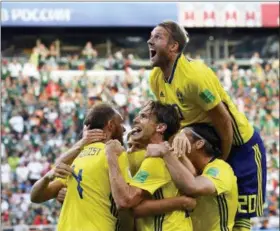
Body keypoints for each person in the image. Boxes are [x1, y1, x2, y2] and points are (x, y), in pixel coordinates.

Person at [147, 20, 267, 230]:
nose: (150, 41)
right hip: (207, 145)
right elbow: (173, 120)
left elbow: (224, 121)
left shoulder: (195, 76)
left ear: (174, 46)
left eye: (157, 37)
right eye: (151, 36)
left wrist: (221, 160)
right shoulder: (156, 79)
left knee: (240, 216)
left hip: (239, 146)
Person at [31, 102, 195, 231]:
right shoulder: (121, 155)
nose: (126, 128)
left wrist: (178, 135)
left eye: (143, 116)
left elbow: (127, 202)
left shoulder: (82, 157)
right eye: (121, 124)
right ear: (110, 125)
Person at [105, 101, 194, 231]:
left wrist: (110, 155)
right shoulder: (160, 154)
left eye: (143, 116)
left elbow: (127, 202)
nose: (135, 119)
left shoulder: (156, 160)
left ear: (160, 127)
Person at [146, 123, 239, 231]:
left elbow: (193, 187)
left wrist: (166, 154)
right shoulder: (186, 170)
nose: (176, 141)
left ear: (199, 144)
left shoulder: (221, 168)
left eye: (182, 137)